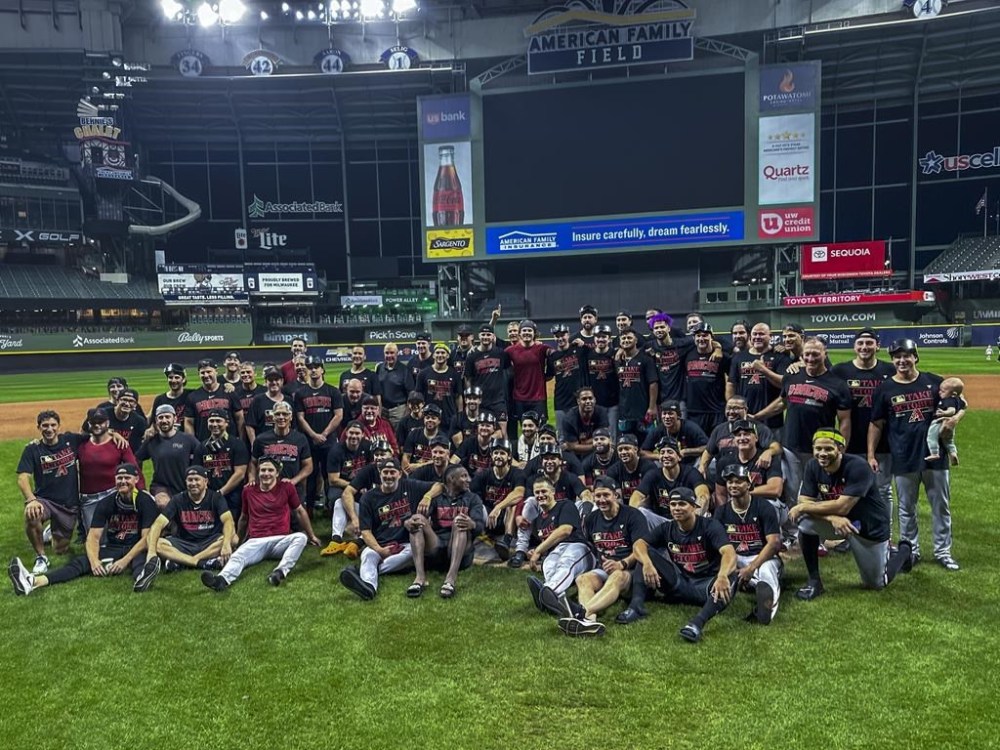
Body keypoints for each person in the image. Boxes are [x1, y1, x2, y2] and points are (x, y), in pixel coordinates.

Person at [869, 339, 962, 571]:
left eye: (907, 356)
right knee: (906, 509)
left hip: (935, 456)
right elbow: (876, 424)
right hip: (903, 456)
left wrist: (954, 419)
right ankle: (911, 550)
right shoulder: (885, 388)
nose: (902, 361)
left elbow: (961, 403)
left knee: (940, 506)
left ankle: (943, 551)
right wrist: (871, 453)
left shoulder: (933, 382)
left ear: (915, 357)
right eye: (897, 357)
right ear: (893, 361)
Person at [792, 429, 913, 599]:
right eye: (818, 449)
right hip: (840, 522)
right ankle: (814, 581)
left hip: (869, 527)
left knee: (876, 583)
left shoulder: (858, 467)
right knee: (805, 521)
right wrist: (831, 518)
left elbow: (842, 507)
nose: (822, 454)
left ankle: (904, 551)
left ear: (840, 449)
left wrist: (806, 507)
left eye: (828, 449)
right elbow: (805, 501)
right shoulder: (813, 466)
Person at [9, 463, 157, 596]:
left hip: (137, 547)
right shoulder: (107, 502)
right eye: (119, 478)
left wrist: (125, 560)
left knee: (142, 561)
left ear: (136, 479)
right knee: (80, 562)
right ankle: (33, 581)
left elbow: (146, 538)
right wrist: (94, 561)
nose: (123, 481)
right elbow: (93, 537)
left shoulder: (145, 501)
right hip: (114, 547)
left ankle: (141, 580)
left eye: (127, 478)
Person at [618, 487, 737, 643]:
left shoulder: (710, 526)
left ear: (694, 507)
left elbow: (729, 553)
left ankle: (696, 624)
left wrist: (722, 576)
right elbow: (639, 544)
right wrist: (647, 563)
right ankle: (636, 607)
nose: (677, 508)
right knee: (646, 556)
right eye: (673, 504)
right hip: (679, 584)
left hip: (707, 587)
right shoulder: (667, 528)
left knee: (732, 577)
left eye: (682, 504)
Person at [201, 456, 320, 591]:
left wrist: (311, 536)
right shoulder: (248, 490)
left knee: (300, 537)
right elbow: (244, 518)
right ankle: (221, 580)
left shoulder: (287, 487)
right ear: (258, 472)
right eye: (263, 470)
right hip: (256, 540)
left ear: (277, 473)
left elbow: (300, 511)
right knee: (238, 556)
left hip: (280, 541)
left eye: (270, 470)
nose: (266, 474)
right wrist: (238, 543)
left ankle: (280, 572)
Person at [556, 476, 649, 637]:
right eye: (598, 496)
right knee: (582, 579)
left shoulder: (633, 516)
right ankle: (589, 622)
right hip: (605, 569)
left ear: (616, 495)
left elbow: (642, 548)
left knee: (618, 576)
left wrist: (622, 563)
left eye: (606, 495)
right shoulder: (592, 519)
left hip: (632, 572)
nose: (601, 500)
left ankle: (582, 612)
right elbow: (589, 544)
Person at [338, 458, 442, 600]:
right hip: (380, 544)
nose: (388, 476)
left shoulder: (410, 486)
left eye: (392, 472)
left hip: (405, 544)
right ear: (380, 473)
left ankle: (363, 574)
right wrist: (379, 550)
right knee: (368, 555)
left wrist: (427, 496)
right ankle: (369, 587)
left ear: (399, 474)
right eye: (385, 472)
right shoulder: (368, 498)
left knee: (413, 552)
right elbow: (366, 531)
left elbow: (439, 485)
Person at [830, 328, 898, 526]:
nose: (864, 347)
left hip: (883, 443)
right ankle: (850, 531)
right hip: (850, 441)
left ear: (878, 346)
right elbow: (818, 375)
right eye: (860, 343)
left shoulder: (889, 370)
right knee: (849, 490)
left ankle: (884, 533)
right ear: (854, 347)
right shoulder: (841, 371)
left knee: (883, 490)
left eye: (869, 343)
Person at [135, 465, 237, 589]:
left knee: (233, 539)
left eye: (196, 479)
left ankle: (182, 562)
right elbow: (158, 523)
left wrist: (226, 544)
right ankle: (201, 563)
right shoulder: (178, 499)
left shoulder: (215, 498)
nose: (193, 483)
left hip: (209, 541)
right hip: (184, 543)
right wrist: (151, 552)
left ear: (205, 482)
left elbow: (228, 520)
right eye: (190, 480)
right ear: (185, 482)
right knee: (157, 543)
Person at [405, 465, 486, 598]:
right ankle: (419, 578)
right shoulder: (437, 498)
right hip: (437, 548)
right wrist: (408, 523)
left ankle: (450, 579)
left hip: (461, 553)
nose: (469, 480)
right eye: (464, 476)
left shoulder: (473, 498)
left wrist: (472, 524)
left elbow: (480, 526)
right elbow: (419, 519)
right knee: (417, 520)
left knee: (459, 521)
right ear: (451, 479)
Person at [713, 465, 781, 624]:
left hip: (762, 556)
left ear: (749, 484)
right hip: (735, 557)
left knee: (766, 571)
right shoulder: (721, 512)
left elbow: (774, 544)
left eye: (738, 481)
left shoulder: (764, 507)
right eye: (729, 482)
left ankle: (765, 612)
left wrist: (751, 568)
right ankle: (751, 583)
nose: (733, 485)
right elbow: (718, 543)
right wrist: (729, 565)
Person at [17, 410, 82, 573]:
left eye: (53, 425)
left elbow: (96, 435)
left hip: (68, 504)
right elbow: (23, 478)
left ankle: (48, 532)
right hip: (45, 500)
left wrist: (113, 433)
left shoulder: (71, 440)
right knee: (32, 514)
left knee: (60, 549)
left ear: (59, 426)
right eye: (45, 425)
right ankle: (41, 557)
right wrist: (31, 500)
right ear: (38, 427)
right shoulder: (33, 449)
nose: (49, 429)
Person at [523, 476, 595, 617]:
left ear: (552, 491)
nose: (540, 495)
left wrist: (538, 550)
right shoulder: (538, 521)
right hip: (556, 552)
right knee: (548, 564)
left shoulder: (566, 505)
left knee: (565, 561)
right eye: (536, 492)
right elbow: (548, 547)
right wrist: (535, 553)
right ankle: (560, 603)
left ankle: (546, 591)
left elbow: (565, 530)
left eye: (544, 491)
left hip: (579, 548)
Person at [295, 355, 345, 512]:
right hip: (309, 442)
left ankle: (331, 508)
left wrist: (324, 434)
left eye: (316, 366)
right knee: (310, 476)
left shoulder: (332, 391)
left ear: (322, 369)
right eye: (310, 367)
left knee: (329, 476)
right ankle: (309, 509)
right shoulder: (301, 393)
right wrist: (314, 435)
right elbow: (300, 417)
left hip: (329, 441)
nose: (313, 370)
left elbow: (338, 415)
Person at [77, 408, 140, 532]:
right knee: (95, 537)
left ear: (107, 423)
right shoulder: (80, 443)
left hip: (113, 494)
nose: (97, 425)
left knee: (117, 534)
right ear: (88, 423)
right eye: (93, 422)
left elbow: (133, 468)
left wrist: (141, 491)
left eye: (101, 422)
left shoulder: (119, 443)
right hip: (89, 498)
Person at [630, 436, 711, 523]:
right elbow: (637, 496)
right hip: (662, 523)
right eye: (662, 452)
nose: (666, 455)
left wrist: (694, 516)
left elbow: (703, 495)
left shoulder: (691, 473)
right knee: (642, 512)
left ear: (679, 457)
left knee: (706, 515)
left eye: (670, 452)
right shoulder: (653, 475)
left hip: (687, 519)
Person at [729, 322, 790, 435]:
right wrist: (733, 408)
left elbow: (785, 384)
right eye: (755, 334)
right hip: (744, 419)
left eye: (761, 334)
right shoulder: (739, 357)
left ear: (770, 336)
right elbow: (731, 384)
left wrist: (763, 370)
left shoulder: (780, 357)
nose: (757, 337)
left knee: (773, 450)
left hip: (772, 421)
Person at [135, 404, 200, 510]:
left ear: (175, 419)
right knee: (163, 504)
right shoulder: (151, 441)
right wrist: (139, 484)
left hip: (185, 485)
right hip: (161, 486)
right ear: (156, 421)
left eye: (167, 417)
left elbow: (204, 455)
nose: (164, 420)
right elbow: (136, 460)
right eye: (160, 417)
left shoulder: (188, 439)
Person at [249, 401, 313, 505]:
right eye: (277, 414)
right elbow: (253, 462)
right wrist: (252, 479)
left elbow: (308, 466)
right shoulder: (261, 439)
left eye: (285, 414)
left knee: (295, 518)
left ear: (291, 417)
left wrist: (293, 481)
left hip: (293, 488)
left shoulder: (300, 439)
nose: (281, 417)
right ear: (272, 417)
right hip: (268, 487)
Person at [712, 420, 784, 509]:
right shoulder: (725, 461)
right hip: (737, 505)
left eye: (747, 434)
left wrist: (744, 492)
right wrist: (724, 513)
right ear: (734, 440)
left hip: (766, 504)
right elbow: (720, 494)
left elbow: (775, 490)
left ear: (756, 438)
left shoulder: (768, 458)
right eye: (738, 435)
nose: (742, 438)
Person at [474, 438, 526, 559]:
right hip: (488, 517)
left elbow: (519, 493)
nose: (498, 456)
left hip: (506, 518)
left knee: (513, 504)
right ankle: (470, 538)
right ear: (491, 456)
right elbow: (472, 495)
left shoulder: (517, 473)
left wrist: (498, 507)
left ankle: (506, 541)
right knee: (475, 504)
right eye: (496, 453)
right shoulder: (483, 474)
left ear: (509, 457)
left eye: (502, 453)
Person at [194, 409, 249, 522]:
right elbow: (198, 472)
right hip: (209, 497)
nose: (215, 424)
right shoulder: (201, 447)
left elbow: (240, 473)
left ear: (226, 423)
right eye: (211, 421)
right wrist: (208, 494)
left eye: (218, 421)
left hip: (233, 497)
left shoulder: (237, 444)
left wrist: (221, 492)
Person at [324, 421, 373, 546]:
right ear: (346, 433)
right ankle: (336, 538)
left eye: (357, 433)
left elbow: (372, 470)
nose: (354, 436)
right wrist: (354, 486)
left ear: (362, 435)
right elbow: (333, 479)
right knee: (338, 501)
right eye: (351, 433)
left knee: (369, 501)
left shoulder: (368, 447)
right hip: (340, 485)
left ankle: (359, 533)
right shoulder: (336, 450)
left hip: (361, 485)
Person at [683, 323, 730, 435]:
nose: (701, 339)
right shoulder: (687, 355)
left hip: (717, 410)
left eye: (705, 335)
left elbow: (733, 380)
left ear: (711, 337)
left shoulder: (722, 357)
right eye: (698, 336)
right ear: (694, 338)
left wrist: (718, 348)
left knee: (717, 444)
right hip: (694, 411)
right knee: (698, 444)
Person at [463, 325, 509, 435]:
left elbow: (508, 369)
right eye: (483, 334)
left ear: (493, 336)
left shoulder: (500, 353)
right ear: (479, 336)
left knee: (502, 433)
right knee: (483, 431)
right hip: (481, 401)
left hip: (498, 400)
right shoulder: (472, 356)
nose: (485, 337)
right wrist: (471, 397)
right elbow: (467, 378)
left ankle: (506, 452)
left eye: (488, 334)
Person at [185, 358, 245, 442]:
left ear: (216, 372)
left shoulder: (229, 391)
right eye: (202, 373)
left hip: (230, 444)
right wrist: (193, 446)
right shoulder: (193, 397)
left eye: (209, 372)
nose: (206, 375)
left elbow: (240, 418)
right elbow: (189, 423)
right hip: (204, 445)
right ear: (198, 374)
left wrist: (241, 441)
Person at [615, 327, 659, 439]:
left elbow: (653, 383)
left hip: (643, 411)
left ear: (636, 341)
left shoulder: (646, 359)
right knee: (626, 443)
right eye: (623, 338)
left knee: (648, 442)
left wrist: (652, 407)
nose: (626, 340)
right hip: (624, 412)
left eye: (629, 338)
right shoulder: (618, 361)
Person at [548, 324, 589, 440]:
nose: (560, 338)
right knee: (562, 436)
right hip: (560, 400)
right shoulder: (553, 357)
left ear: (568, 335)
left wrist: (584, 345)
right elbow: (549, 375)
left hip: (578, 400)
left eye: (563, 335)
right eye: (557, 336)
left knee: (581, 434)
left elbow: (593, 355)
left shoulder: (579, 351)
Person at [505, 319, 550, 424]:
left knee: (541, 428)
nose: (526, 333)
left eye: (529, 330)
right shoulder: (510, 351)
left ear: (534, 333)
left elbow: (556, 355)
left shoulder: (542, 348)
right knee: (526, 429)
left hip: (538, 397)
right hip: (520, 398)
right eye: (524, 330)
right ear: (519, 333)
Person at [640, 399, 709, 466]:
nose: (667, 417)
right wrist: (660, 456)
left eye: (670, 414)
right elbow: (643, 453)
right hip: (666, 465)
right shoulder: (658, 430)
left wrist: (686, 451)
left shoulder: (690, 428)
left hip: (689, 464)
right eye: (664, 414)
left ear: (678, 415)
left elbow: (707, 447)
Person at [417, 342, 463, 427]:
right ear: (433, 355)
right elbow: (418, 396)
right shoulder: (423, 374)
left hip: (449, 418)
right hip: (429, 418)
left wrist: (460, 415)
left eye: (443, 353)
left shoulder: (455, 374)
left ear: (448, 356)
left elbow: (458, 396)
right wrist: (420, 412)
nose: (440, 355)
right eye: (437, 353)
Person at [587, 325, 619, 436]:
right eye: (598, 336)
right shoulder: (587, 354)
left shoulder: (615, 354)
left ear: (609, 339)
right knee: (595, 435)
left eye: (604, 336)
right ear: (594, 338)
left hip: (613, 403)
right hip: (595, 404)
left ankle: (613, 453)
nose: (601, 339)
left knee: (612, 435)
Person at [246, 366, 291, 446]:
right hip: (264, 444)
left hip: (286, 445)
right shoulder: (258, 400)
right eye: (270, 380)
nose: (274, 382)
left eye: (276, 379)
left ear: (282, 381)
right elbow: (250, 425)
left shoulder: (289, 400)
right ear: (266, 382)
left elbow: (293, 425)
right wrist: (254, 444)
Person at [926, 377, 966, 464]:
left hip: (939, 421)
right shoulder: (958, 399)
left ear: (953, 394)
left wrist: (943, 413)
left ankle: (934, 453)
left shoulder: (948, 400)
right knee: (948, 441)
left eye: (943, 391)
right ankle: (953, 453)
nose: (939, 392)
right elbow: (964, 406)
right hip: (949, 424)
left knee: (931, 437)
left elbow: (952, 410)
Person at [562, 386, 610, 458]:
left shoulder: (601, 412)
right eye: (584, 399)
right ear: (578, 401)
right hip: (575, 455)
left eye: (590, 398)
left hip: (596, 453)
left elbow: (604, 437)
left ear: (595, 400)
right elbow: (573, 447)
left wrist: (583, 443)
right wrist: (597, 445)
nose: (588, 401)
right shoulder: (569, 419)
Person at [402, 403, 445, 473]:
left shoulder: (443, 438)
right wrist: (405, 475)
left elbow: (442, 461)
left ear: (439, 421)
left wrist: (419, 466)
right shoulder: (414, 434)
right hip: (414, 474)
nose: (430, 420)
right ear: (423, 419)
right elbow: (406, 457)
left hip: (434, 474)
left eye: (433, 418)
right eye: (427, 418)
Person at [376, 343, 411, 427]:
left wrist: (406, 413)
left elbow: (410, 393)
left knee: (397, 437)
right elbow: (377, 390)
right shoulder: (380, 368)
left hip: (398, 411)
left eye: (392, 353)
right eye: (387, 353)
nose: (389, 355)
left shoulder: (404, 369)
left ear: (397, 353)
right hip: (383, 409)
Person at [108, 388, 147, 455]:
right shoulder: (104, 415)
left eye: (131, 401)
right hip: (108, 456)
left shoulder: (139, 421)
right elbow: (88, 432)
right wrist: (111, 433)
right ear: (117, 401)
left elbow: (145, 441)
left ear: (135, 405)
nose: (127, 404)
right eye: (124, 400)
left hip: (129, 458)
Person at [151, 363, 191, 430]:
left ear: (183, 379)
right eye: (170, 377)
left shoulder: (191, 395)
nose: (173, 380)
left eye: (177, 377)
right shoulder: (159, 399)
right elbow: (154, 422)